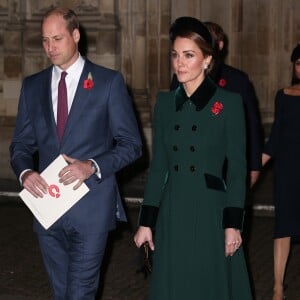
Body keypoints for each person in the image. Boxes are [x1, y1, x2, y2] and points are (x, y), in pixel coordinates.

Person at [10, 7, 142, 300]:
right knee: (61, 294)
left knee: (80, 293)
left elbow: (132, 145)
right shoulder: (32, 86)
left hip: (91, 207)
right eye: (45, 40)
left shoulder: (108, 83)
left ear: (76, 35)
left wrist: (92, 166)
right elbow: (21, 145)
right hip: (47, 209)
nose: (50, 47)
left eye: (57, 38)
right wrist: (25, 172)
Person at [134, 16, 253, 299]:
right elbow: (158, 167)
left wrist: (232, 223)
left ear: (207, 60)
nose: (180, 63)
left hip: (210, 209)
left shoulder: (228, 103)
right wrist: (146, 221)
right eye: (175, 55)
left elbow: (237, 169)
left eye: (189, 55)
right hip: (173, 209)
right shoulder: (164, 103)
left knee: (207, 286)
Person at [170, 21, 262, 187]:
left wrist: (254, 165)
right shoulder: (181, 78)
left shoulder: (237, 80)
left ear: (219, 45)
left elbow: (251, 125)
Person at [262, 44, 300, 300]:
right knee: (283, 226)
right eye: (298, 63)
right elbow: (275, 137)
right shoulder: (283, 95)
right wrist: (255, 166)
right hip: (287, 170)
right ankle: (278, 286)